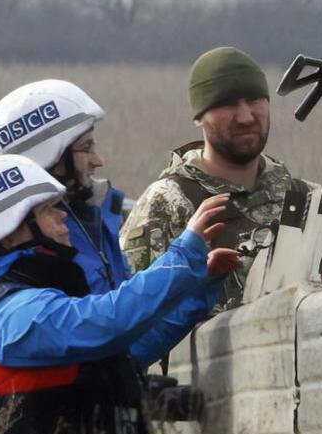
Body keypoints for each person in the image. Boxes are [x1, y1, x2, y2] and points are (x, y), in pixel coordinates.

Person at [0, 154, 237, 434]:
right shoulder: (14, 315)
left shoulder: (25, 308)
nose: (64, 216)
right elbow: (109, 321)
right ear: (12, 230)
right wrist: (184, 254)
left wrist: (200, 286)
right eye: (50, 210)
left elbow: (125, 353)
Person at [121, 46, 310, 312]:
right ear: (200, 116)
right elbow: (129, 313)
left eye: (255, 100)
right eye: (228, 104)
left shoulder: (303, 197)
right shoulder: (167, 203)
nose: (245, 117)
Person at [0, 79, 128, 295]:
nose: (98, 161)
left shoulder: (99, 214)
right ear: (51, 160)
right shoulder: (23, 250)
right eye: (86, 147)